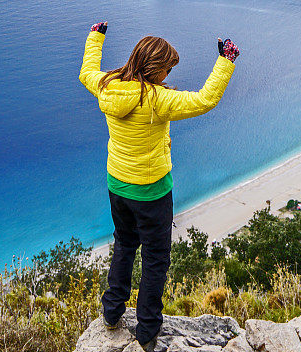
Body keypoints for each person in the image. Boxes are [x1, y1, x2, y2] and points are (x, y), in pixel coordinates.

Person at [79, 21, 239, 351]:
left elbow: (87, 70)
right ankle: (148, 329)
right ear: (154, 68)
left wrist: (96, 36)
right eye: (166, 69)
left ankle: (112, 310)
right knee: (155, 259)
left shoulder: (107, 86)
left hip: (117, 185)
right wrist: (226, 60)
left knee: (124, 244)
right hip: (151, 191)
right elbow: (205, 100)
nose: (168, 75)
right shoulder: (158, 100)